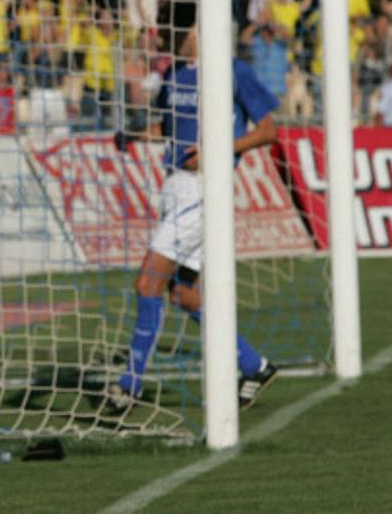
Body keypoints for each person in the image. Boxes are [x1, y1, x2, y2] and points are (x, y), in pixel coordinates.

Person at [107, 26, 281, 412]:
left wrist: (218, 149)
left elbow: (268, 131)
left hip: (204, 189)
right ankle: (254, 365)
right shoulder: (173, 73)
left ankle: (128, 386)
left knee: (148, 281)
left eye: (183, 26)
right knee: (185, 295)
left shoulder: (233, 70)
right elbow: (170, 129)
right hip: (175, 187)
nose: (174, 33)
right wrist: (135, 135)